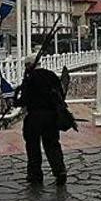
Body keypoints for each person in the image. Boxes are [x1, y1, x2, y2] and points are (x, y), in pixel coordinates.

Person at [15, 54, 70, 185]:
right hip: (51, 116)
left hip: (34, 117)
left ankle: (35, 175)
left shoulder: (29, 79)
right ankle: (59, 170)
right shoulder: (51, 75)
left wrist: (14, 102)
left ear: (28, 66)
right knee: (52, 144)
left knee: (33, 146)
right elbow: (61, 95)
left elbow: (24, 100)